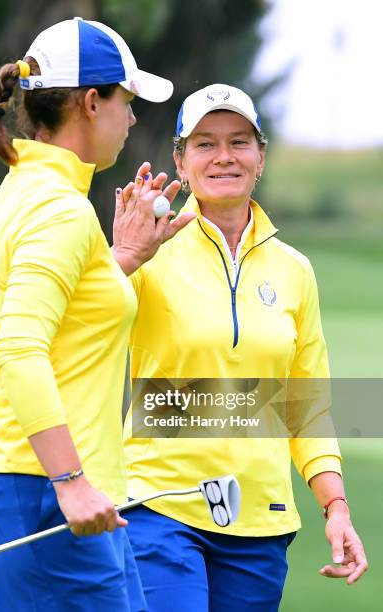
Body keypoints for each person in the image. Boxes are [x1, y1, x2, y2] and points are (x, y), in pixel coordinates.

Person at [0, 17, 192, 611]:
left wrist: (121, 259)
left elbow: (67, 322)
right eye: (126, 101)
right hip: (45, 492)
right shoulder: (58, 208)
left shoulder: (34, 191)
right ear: (90, 101)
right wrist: (69, 483)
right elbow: (20, 349)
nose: (132, 118)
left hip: (61, 491)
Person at [122, 84, 368, 611]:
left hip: (260, 518)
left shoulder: (295, 270)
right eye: (205, 144)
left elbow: (307, 407)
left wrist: (336, 507)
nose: (224, 157)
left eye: (239, 142)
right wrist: (123, 256)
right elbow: (78, 327)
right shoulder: (147, 249)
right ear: (180, 161)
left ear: (261, 157)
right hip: (158, 506)